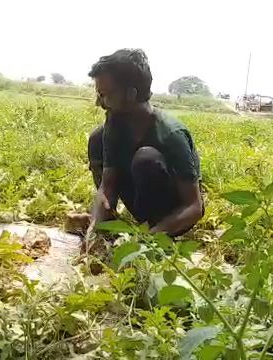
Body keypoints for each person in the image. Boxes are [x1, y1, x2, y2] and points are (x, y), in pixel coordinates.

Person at [87, 49, 204, 237]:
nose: (99, 103)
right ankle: (109, 226)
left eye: (104, 94)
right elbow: (107, 185)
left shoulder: (171, 134)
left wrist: (149, 239)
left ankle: (153, 230)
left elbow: (194, 207)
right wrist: (96, 227)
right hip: (140, 201)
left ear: (131, 94)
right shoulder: (114, 124)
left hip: (175, 217)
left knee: (145, 158)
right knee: (96, 139)